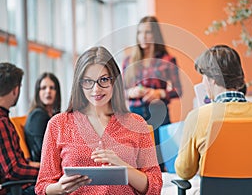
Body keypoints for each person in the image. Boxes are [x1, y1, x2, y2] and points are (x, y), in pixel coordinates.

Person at [35, 46, 162, 195]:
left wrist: (124, 168)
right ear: (79, 83)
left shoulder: (136, 124)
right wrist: (59, 188)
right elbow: (42, 186)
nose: (96, 89)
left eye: (103, 80)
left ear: (114, 81)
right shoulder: (58, 124)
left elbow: (155, 185)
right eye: (88, 81)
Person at [175, 45, 252, 180]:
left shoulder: (198, 117)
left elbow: (184, 171)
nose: (203, 82)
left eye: (203, 76)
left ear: (213, 79)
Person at [122, 16, 182, 171]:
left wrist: (159, 93)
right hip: (134, 114)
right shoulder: (129, 61)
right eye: (140, 32)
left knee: (160, 160)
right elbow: (119, 91)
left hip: (159, 113)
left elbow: (178, 90)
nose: (143, 36)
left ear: (155, 34)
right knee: (137, 161)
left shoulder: (167, 59)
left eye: (148, 32)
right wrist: (130, 92)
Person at [0, 62, 39, 195]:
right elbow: (13, 170)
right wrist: (46, 172)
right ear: (15, 90)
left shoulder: (4, 119)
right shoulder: (2, 122)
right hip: (12, 189)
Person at [24, 72, 61, 162]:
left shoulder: (53, 115)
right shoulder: (38, 115)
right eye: (43, 88)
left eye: (52, 88)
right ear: (38, 92)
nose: (48, 91)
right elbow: (43, 151)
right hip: (43, 166)